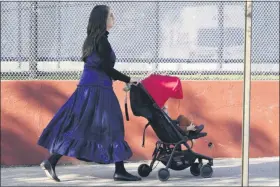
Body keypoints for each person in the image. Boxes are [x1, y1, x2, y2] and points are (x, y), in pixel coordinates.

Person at [37, 5, 141, 182]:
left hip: (88, 88)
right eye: (110, 15)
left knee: (81, 126)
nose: (113, 18)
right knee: (113, 124)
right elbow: (106, 68)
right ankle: (119, 171)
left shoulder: (92, 39)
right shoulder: (102, 40)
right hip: (98, 89)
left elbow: (98, 66)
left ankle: (52, 161)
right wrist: (127, 79)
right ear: (102, 19)